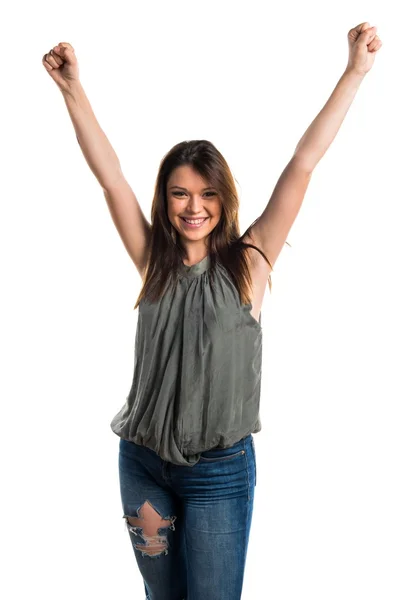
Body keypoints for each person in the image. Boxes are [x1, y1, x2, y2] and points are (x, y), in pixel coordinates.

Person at [42, 22, 381, 599]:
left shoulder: (250, 263)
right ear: (165, 199)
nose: (193, 207)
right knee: (163, 596)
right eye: (179, 193)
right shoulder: (154, 261)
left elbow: (302, 164)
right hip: (142, 467)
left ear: (223, 197)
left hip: (219, 474)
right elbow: (111, 178)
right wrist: (73, 90)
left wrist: (353, 72)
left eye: (206, 193)